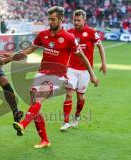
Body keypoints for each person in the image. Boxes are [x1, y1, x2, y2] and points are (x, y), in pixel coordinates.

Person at [12, 6, 99, 148]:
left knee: (40, 96)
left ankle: (23, 124)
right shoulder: (43, 34)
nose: (50, 22)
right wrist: (11, 57)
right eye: (49, 19)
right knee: (35, 106)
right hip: (41, 73)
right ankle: (44, 140)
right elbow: (29, 49)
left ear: (61, 19)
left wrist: (93, 75)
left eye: (53, 19)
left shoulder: (69, 38)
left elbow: (83, 57)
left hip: (58, 76)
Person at [60, 9, 107, 131]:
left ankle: (76, 116)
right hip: (71, 68)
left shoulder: (91, 32)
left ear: (84, 20)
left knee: (80, 97)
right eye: (74, 20)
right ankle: (65, 122)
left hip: (86, 70)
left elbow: (100, 46)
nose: (76, 22)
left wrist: (104, 63)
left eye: (78, 20)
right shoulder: (69, 33)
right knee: (69, 93)